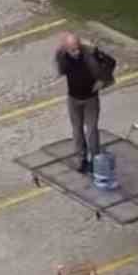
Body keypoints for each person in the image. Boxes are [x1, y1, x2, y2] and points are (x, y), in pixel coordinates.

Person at [54, 31, 106, 173]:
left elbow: (109, 63)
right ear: (66, 49)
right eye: (72, 50)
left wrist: (102, 80)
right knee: (77, 130)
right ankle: (81, 159)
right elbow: (60, 65)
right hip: (73, 99)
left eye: (77, 48)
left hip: (90, 99)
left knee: (91, 130)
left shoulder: (90, 54)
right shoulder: (62, 57)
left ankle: (96, 159)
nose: (76, 52)